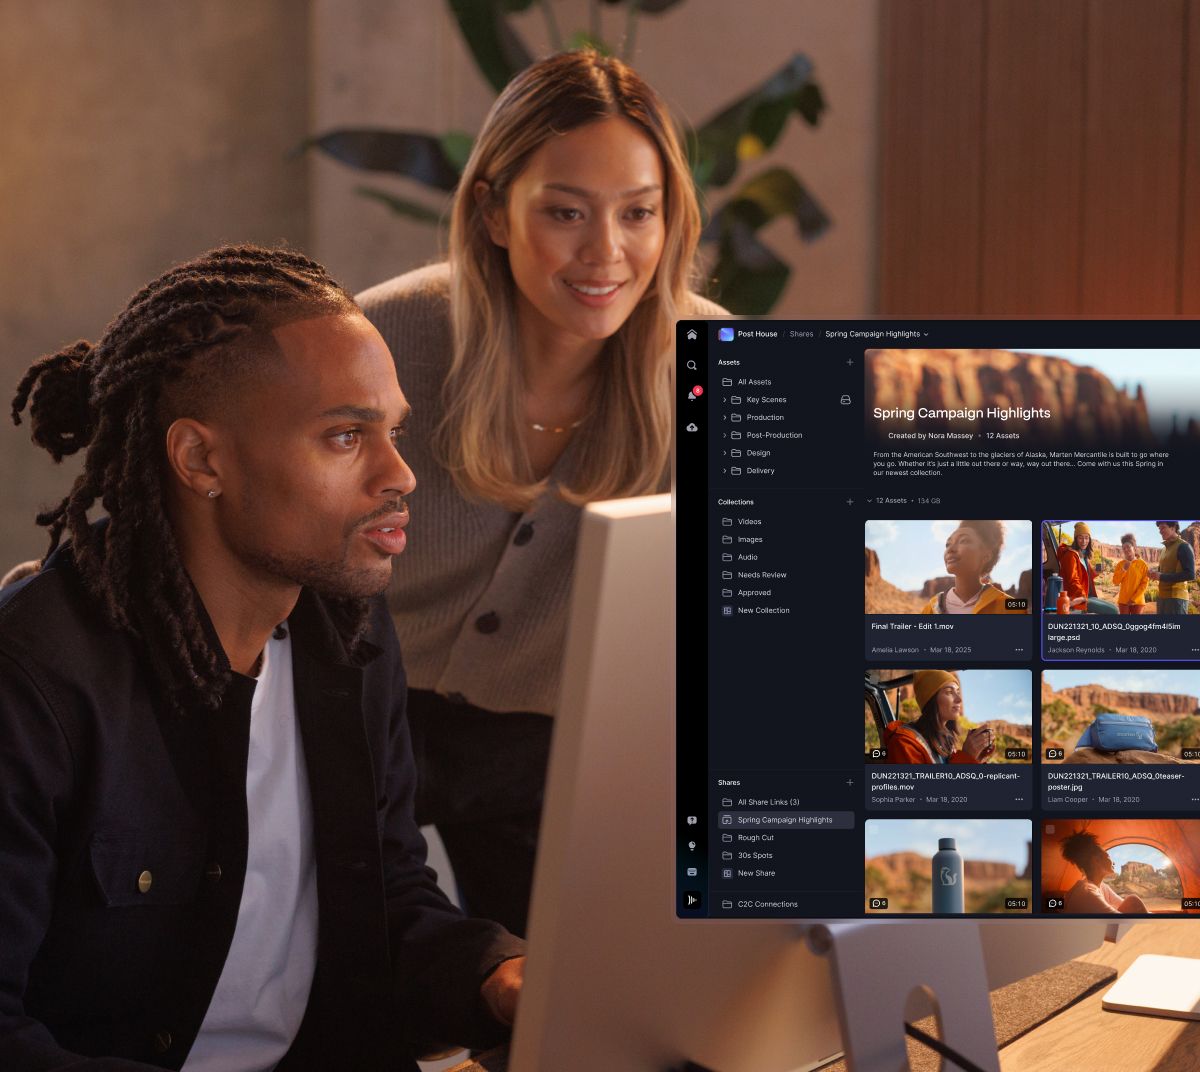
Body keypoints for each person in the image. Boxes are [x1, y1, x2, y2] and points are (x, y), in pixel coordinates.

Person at [0, 246, 525, 1071]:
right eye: (346, 436)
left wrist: (501, 976)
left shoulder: (349, 636)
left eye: (395, 431)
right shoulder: (32, 683)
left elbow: (385, 901)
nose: (400, 475)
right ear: (201, 460)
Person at [358, 49, 725, 937]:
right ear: (492, 211)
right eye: (565, 213)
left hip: (553, 742)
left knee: (569, 991)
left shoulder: (721, 377)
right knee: (345, 977)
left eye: (639, 214)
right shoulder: (379, 343)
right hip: (352, 714)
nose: (607, 254)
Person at [881, 670, 995, 764]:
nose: (959, 699)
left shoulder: (947, 745)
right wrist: (966, 757)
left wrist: (975, 759)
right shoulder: (904, 743)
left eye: (958, 692)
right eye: (949, 692)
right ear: (931, 699)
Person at [920, 520, 1024, 614]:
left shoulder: (1012, 609)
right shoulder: (931, 609)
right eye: (948, 544)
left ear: (986, 555)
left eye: (963, 541)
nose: (950, 549)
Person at [1059, 832, 1148, 915]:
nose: (1113, 862)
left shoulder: (1102, 887)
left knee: (1132, 901)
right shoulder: (1087, 893)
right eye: (1107, 856)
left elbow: (1125, 905)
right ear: (1096, 860)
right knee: (1133, 901)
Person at [1055, 521, 1117, 614]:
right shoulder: (1071, 555)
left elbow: (1087, 575)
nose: (1084, 541)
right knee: (1113, 611)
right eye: (1080, 538)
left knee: (1114, 608)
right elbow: (1073, 579)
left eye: (1086, 538)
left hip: (1087, 595)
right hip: (1076, 597)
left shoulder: (1083, 555)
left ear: (1089, 539)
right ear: (1076, 538)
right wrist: (1083, 596)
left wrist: (1097, 572)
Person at [1148, 520, 1195, 615]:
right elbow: (1165, 570)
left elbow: (1190, 574)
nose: (1160, 531)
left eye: (1163, 527)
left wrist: (1161, 577)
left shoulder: (1184, 546)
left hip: (1176, 599)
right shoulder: (1164, 549)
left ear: (1173, 527)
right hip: (1162, 597)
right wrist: (1154, 573)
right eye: (1159, 528)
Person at [1112, 532, 1149, 614]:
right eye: (1123, 548)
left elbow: (1144, 584)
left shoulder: (1143, 565)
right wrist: (1123, 570)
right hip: (1123, 601)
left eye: (1128, 547)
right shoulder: (1120, 564)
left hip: (1138, 602)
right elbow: (1115, 582)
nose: (1126, 549)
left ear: (1134, 548)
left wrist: (1134, 599)